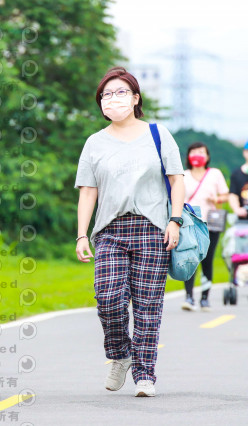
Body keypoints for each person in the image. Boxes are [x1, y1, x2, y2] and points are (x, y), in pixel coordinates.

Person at [75, 67, 185, 398]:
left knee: (148, 306)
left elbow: (177, 179)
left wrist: (175, 220)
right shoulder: (95, 142)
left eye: (121, 92)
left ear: (136, 98)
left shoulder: (158, 134)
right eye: (106, 94)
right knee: (107, 297)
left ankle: (145, 373)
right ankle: (120, 353)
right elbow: (88, 191)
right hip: (110, 230)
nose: (113, 98)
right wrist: (82, 234)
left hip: (153, 229)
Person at [181, 142, 229, 311]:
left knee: (207, 260)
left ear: (207, 156)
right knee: (190, 259)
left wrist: (216, 199)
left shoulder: (215, 174)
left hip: (210, 224)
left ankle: (204, 298)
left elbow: (226, 195)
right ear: (188, 156)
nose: (197, 155)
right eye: (193, 151)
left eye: (201, 152)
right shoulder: (183, 175)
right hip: (189, 224)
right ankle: (189, 297)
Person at [228, 141, 248, 218]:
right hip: (243, 218)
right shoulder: (236, 173)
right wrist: (237, 209)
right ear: (244, 152)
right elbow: (233, 194)